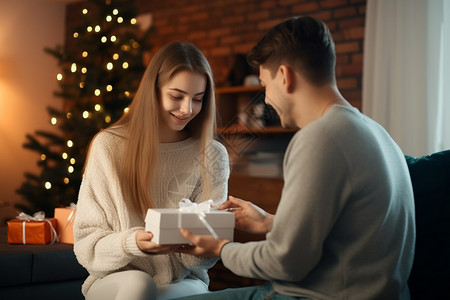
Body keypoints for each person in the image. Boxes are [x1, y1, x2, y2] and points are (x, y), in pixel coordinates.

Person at [176, 16, 416, 300]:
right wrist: (268, 222)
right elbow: (352, 234)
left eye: (265, 85)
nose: (266, 100)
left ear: (285, 76)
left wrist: (221, 249)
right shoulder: (377, 133)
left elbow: (284, 262)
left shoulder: (320, 138)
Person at [73, 41, 230, 300]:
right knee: (139, 284)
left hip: (183, 281)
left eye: (198, 99)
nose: (187, 109)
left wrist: (199, 245)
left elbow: (201, 261)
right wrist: (132, 243)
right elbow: (87, 247)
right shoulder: (109, 146)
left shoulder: (212, 155)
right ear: (153, 91)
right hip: (115, 282)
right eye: (176, 96)